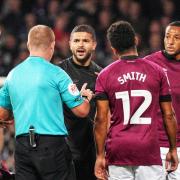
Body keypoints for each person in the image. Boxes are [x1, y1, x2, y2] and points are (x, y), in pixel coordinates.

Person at [0, 25, 93, 180]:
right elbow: (82, 111)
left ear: (29, 45)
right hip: (52, 145)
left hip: (22, 146)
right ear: (52, 45)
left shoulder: (12, 75)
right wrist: (85, 99)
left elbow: (2, 113)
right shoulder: (57, 73)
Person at [94, 20, 179, 180]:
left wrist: (100, 155)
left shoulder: (105, 75)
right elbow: (169, 115)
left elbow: (100, 119)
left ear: (113, 49)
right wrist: (173, 149)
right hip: (148, 149)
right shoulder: (158, 71)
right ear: (136, 40)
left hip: (118, 149)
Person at [58, 24, 102, 180]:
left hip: (91, 153)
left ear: (94, 45)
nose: (81, 44)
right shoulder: (58, 72)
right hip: (62, 152)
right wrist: (77, 100)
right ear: (70, 44)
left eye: (85, 40)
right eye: (76, 40)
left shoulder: (101, 76)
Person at [144, 21, 180, 180]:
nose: (170, 41)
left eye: (176, 37)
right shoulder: (150, 63)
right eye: (167, 36)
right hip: (153, 144)